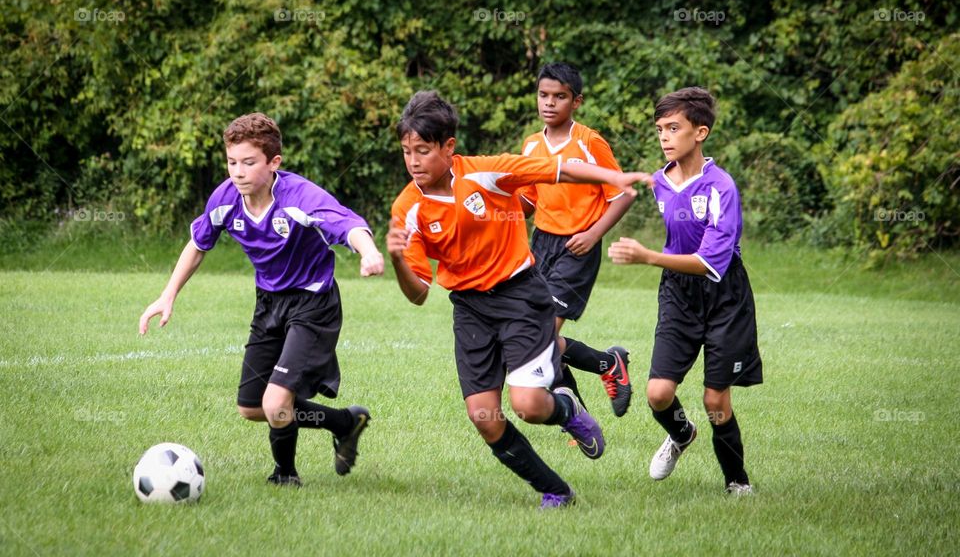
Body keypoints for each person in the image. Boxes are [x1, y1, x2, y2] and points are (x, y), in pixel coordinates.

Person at [386, 91, 652, 508]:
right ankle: (555, 491)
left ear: (449, 147)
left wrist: (612, 179)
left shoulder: (486, 173)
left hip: (520, 296)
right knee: (484, 418)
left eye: (422, 150)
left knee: (527, 404)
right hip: (470, 309)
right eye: (406, 151)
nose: (413, 161)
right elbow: (419, 293)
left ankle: (566, 409)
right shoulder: (408, 210)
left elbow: (556, 169)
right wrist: (399, 260)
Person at [139, 112, 384, 487]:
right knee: (252, 408)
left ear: (274, 163)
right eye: (232, 161)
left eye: (248, 162)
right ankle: (344, 422)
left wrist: (368, 253)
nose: (237, 171)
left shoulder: (300, 197)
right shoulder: (225, 199)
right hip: (268, 303)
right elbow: (198, 243)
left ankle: (285, 476)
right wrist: (167, 295)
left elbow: (347, 223)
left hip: (312, 304)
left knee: (275, 403)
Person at [608, 87, 762, 495]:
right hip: (678, 293)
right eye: (660, 129)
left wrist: (647, 256)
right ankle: (681, 435)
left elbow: (711, 263)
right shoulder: (659, 182)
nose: (664, 137)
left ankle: (737, 482)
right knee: (658, 394)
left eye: (674, 128)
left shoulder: (721, 188)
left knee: (716, 402)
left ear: (701, 132)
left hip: (724, 295)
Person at [517, 62, 634, 417]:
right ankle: (601, 374)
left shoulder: (588, 142)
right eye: (543, 95)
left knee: (541, 334)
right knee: (534, 337)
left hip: (577, 247)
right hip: (541, 244)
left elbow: (624, 192)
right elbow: (526, 202)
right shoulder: (531, 145)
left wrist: (594, 233)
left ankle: (590, 390)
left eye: (559, 97)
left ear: (576, 102)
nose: (549, 103)